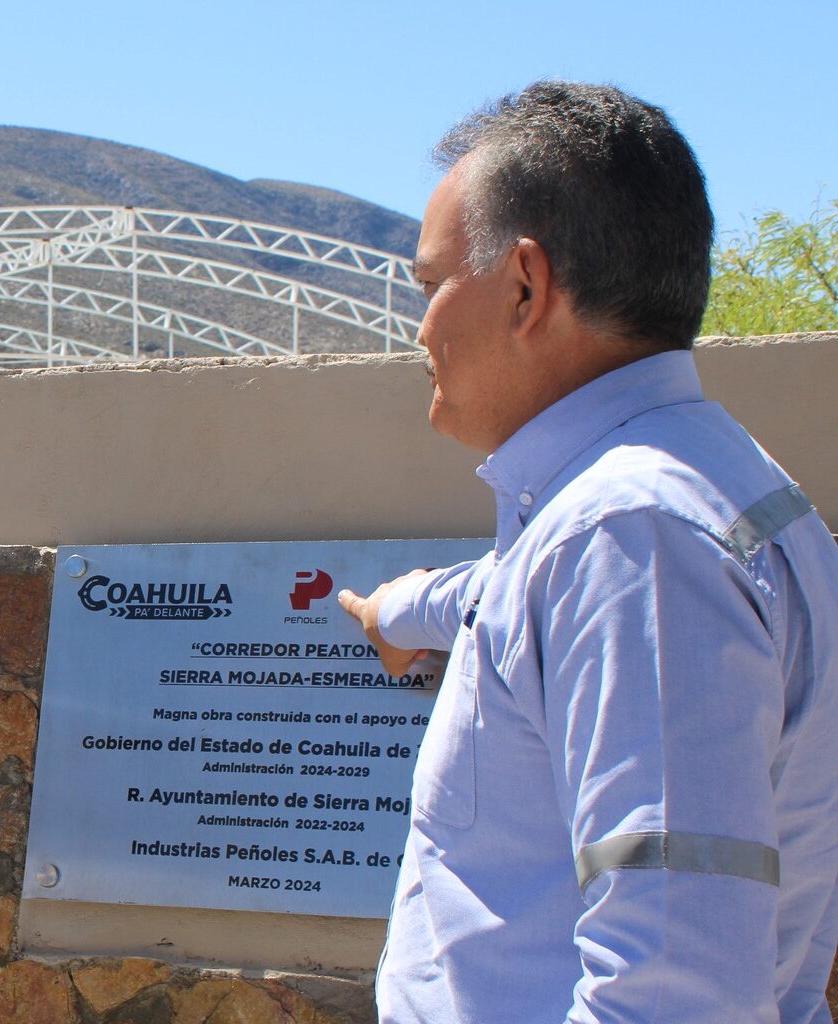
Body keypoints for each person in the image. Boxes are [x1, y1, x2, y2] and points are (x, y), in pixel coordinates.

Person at [337, 82, 838, 1023]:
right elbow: (504, 597)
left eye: (432, 285)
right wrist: (398, 609)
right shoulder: (691, 495)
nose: (421, 327)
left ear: (525, 287)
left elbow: (672, 996)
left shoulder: (630, 542)